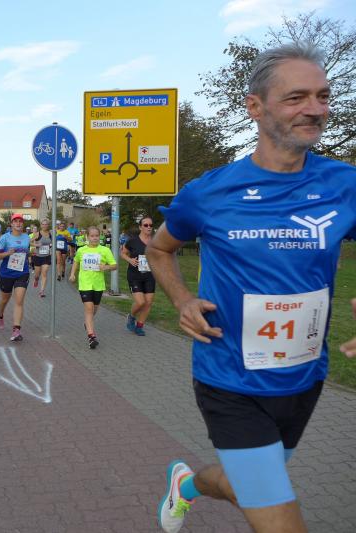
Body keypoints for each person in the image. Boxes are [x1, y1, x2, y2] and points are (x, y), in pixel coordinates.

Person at [148, 43, 356, 533]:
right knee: (276, 514)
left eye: (323, 97)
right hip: (229, 379)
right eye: (296, 97)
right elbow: (159, 249)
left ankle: (186, 485)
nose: (315, 109)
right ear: (255, 107)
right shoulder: (209, 193)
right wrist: (182, 299)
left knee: (250, 485)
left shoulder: (345, 185)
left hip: (304, 375)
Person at [69, 227, 117, 349]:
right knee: (89, 308)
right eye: (92, 236)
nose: (94, 238)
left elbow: (114, 265)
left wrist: (106, 267)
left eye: (97, 236)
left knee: (94, 309)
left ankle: (87, 322)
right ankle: (91, 336)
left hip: (98, 285)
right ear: (87, 237)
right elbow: (76, 261)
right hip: (84, 283)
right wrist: (72, 274)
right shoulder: (81, 250)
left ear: (99, 237)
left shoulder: (105, 250)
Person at [0, 213, 31, 341]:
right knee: (5, 299)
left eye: (20, 221)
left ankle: (16, 330)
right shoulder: (5, 238)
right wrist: (7, 253)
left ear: (23, 224)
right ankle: (0, 314)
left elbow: (27, 253)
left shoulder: (26, 238)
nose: (18, 223)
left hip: (22, 272)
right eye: (16, 221)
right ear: (11, 224)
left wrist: (30, 253)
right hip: (6, 274)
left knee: (19, 300)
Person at [120, 216, 156, 336]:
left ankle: (139, 326)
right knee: (141, 302)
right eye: (146, 225)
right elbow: (123, 253)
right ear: (140, 227)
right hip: (134, 275)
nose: (149, 227)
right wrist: (130, 260)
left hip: (150, 275)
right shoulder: (132, 241)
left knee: (148, 302)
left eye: (150, 225)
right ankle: (131, 316)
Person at [30, 219, 53, 298]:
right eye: (43, 224)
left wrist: (51, 248)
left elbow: (52, 243)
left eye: (46, 224)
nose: (44, 226)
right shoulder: (37, 234)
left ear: (48, 225)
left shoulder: (51, 234)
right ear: (41, 225)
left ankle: (42, 291)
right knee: (37, 275)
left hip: (47, 256)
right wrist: (36, 245)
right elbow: (29, 242)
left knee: (44, 273)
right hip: (38, 257)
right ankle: (36, 279)